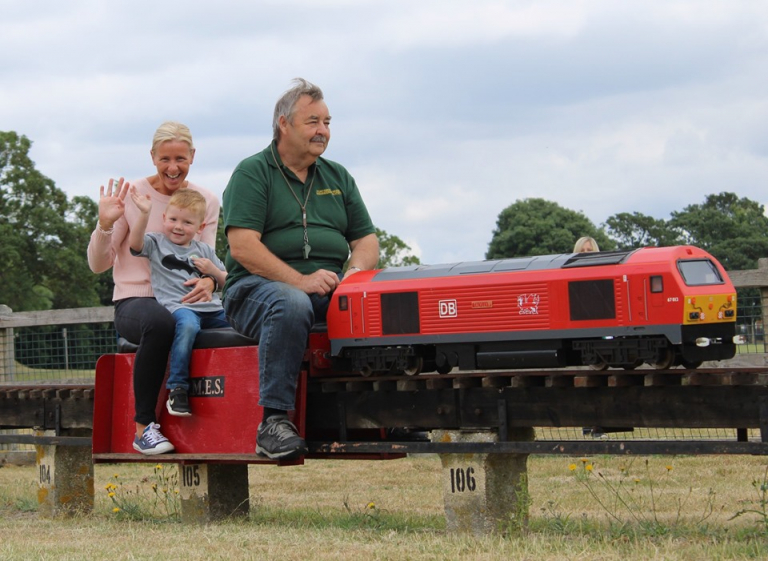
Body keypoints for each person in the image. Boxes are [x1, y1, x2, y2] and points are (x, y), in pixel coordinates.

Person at [222, 78, 379, 460]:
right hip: (254, 289)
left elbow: (366, 240)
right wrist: (300, 281)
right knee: (291, 303)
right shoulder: (253, 172)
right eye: (313, 122)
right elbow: (243, 246)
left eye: (327, 122)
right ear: (284, 124)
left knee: (379, 300)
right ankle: (273, 423)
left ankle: (385, 411)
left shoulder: (337, 176)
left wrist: (353, 277)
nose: (323, 130)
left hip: (325, 286)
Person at [87, 121, 220, 455]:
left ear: (192, 156)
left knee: (235, 320)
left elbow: (206, 258)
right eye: (165, 159)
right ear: (152, 157)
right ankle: (144, 428)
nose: (172, 168)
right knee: (162, 323)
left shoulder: (205, 200)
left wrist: (209, 280)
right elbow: (98, 264)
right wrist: (105, 223)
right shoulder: (133, 196)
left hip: (185, 299)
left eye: (180, 159)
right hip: (137, 300)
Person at [128, 187, 229, 417]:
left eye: (187, 222)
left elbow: (227, 281)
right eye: (173, 219)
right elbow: (135, 244)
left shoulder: (204, 250)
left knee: (243, 325)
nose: (178, 227)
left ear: (200, 227)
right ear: (164, 218)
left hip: (212, 309)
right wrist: (143, 214)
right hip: (180, 307)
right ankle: (177, 388)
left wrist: (212, 271)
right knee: (188, 327)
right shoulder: (156, 243)